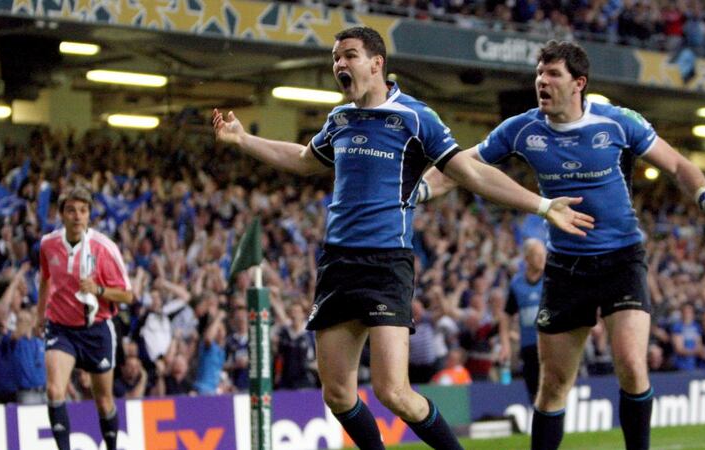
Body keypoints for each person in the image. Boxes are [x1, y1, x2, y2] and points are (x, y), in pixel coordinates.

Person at [213, 27, 593, 450]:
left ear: (376, 64)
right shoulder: (339, 119)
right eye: (336, 58)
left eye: (349, 56)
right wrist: (243, 140)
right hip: (337, 264)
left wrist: (541, 205)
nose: (339, 64)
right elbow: (303, 159)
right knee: (336, 393)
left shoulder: (415, 117)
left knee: (393, 391)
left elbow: (472, 173)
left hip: (386, 262)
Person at [420, 40, 705, 450]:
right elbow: (459, 168)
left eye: (553, 74)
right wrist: (415, 193)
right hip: (566, 266)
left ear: (579, 84)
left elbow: (678, 164)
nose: (542, 81)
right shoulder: (522, 128)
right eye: (539, 73)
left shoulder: (618, 122)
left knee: (629, 363)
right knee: (553, 385)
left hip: (622, 258)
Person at [37, 186, 134, 450]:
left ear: (89, 215)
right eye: (71, 210)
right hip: (61, 328)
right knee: (55, 391)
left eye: (83, 210)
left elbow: (128, 296)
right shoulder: (48, 244)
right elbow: (45, 278)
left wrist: (99, 290)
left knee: (103, 401)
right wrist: (39, 316)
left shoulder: (104, 248)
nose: (77, 216)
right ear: (61, 215)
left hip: (96, 329)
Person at [499, 238, 546, 403]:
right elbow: (506, 315)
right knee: (534, 393)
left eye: (543, 254)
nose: (542, 259)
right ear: (526, 258)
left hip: (550, 345)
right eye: (537, 255)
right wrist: (505, 344)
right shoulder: (517, 284)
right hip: (528, 347)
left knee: (551, 389)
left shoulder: (551, 280)